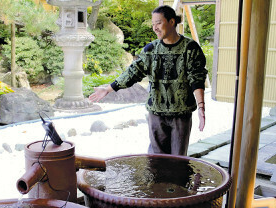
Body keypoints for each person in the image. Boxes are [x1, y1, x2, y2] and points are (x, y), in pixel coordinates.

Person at [88, 5, 207, 156]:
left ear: (171, 22)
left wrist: (201, 107)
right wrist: (108, 88)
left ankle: (176, 180)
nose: (155, 28)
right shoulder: (151, 49)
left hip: (181, 113)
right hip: (156, 113)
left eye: (158, 23)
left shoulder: (190, 48)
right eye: (153, 24)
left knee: (178, 160)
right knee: (156, 159)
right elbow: (132, 73)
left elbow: (197, 78)